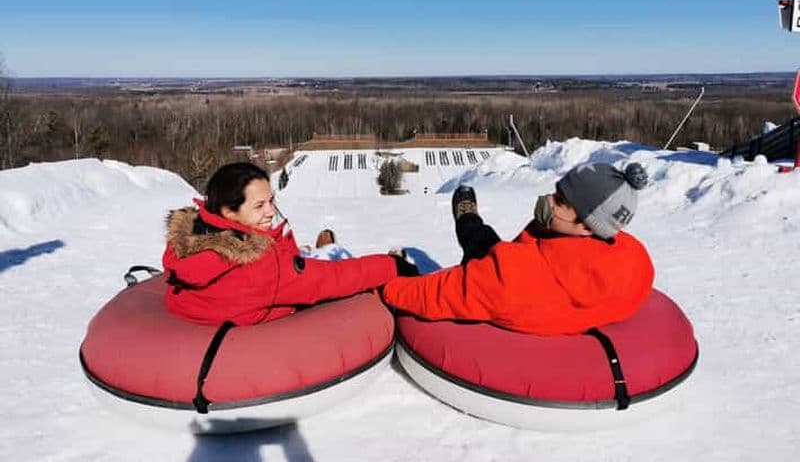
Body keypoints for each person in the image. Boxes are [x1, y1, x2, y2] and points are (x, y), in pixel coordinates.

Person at [381, 162, 654, 335]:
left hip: (506, 283)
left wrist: (390, 286)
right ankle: (470, 222)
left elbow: (442, 294)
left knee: (478, 240)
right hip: (529, 278)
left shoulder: (512, 277)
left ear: (587, 226)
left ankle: (467, 218)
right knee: (488, 248)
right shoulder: (636, 259)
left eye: (560, 200)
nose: (548, 199)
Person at [162, 162, 417, 325]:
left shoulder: (190, 242)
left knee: (301, 257)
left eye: (271, 200)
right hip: (280, 293)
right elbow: (331, 279)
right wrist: (391, 266)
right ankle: (329, 249)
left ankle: (315, 250)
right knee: (332, 260)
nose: (271, 211)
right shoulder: (263, 266)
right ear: (229, 212)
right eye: (259, 205)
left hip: (230, 306)